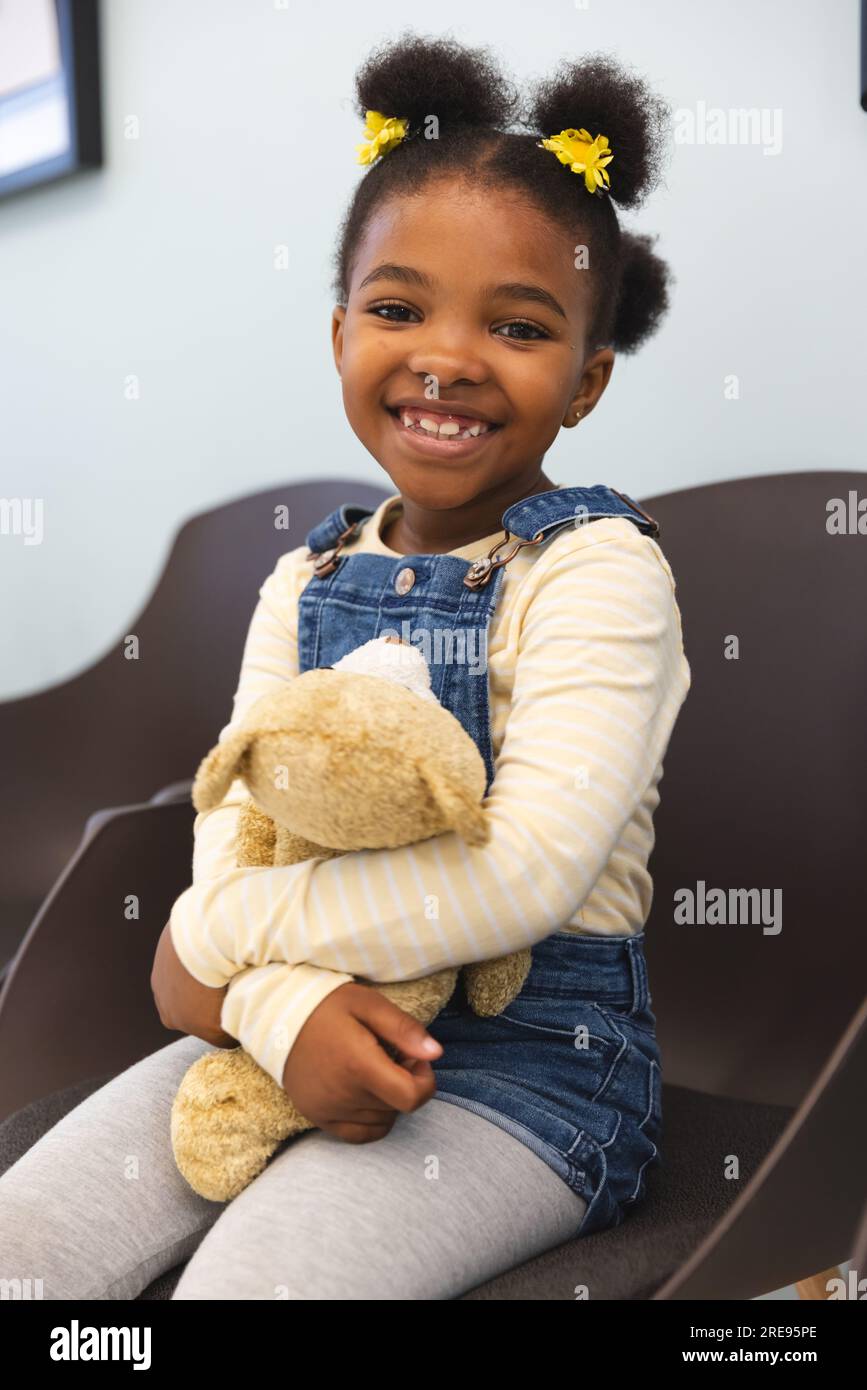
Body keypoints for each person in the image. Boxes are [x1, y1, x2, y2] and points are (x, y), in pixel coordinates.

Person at [0, 34, 691, 1300]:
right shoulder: (304, 578)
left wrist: (212, 943)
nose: (447, 355)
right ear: (338, 335)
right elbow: (242, 825)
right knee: (20, 1245)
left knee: (259, 1286)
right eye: (397, 308)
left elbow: (523, 871)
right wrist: (276, 1010)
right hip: (288, 1017)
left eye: (519, 325)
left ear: (587, 381)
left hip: (535, 1068)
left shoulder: (599, 572)